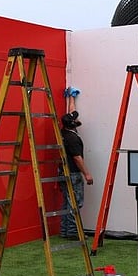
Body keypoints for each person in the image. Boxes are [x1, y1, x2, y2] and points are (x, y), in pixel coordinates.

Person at [59, 86, 93, 239]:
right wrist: (87, 174)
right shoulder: (73, 138)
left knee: (67, 202)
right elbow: (77, 158)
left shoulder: (65, 132)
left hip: (63, 173)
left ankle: (65, 230)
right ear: (73, 124)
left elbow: (70, 112)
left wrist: (70, 97)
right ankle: (72, 231)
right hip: (73, 174)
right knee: (75, 202)